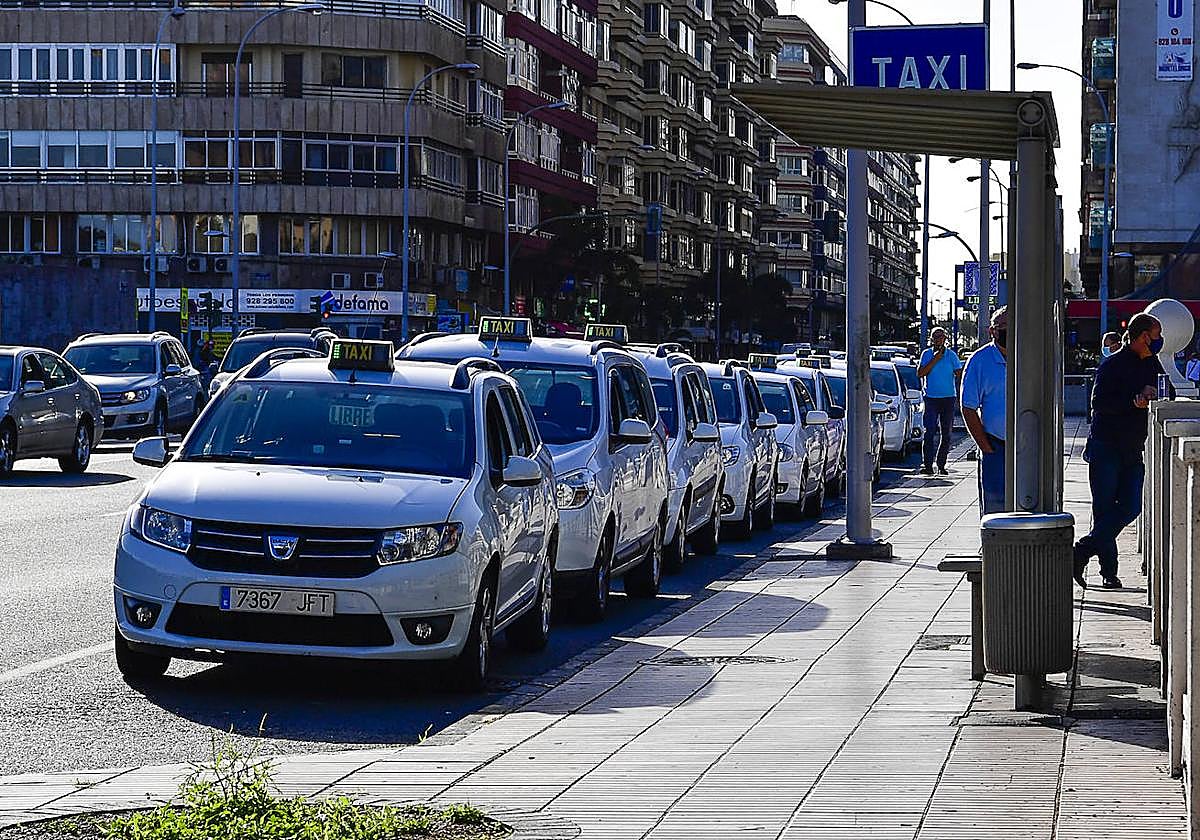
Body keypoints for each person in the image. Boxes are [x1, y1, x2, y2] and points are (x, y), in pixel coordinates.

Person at [1073, 313, 1165, 590]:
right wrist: (1132, 401)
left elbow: (1166, 387)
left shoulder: (1151, 363)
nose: (1160, 340)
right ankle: (1109, 572)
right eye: (1157, 334)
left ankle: (1081, 551)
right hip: (1106, 446)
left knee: (1130, 506)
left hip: (1133, 447)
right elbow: (1099, 403)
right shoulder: (1112, 365)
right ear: (1144, 336)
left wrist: (1154, 394)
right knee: (1104, 510)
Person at [960, 307, 1008, 515]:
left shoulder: (1031, 355)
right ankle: (992, 547)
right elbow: (968, 407)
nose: (1009, 331)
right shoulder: (980, 360)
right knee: (995, 508)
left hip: (1028, 446)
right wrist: (985, 447)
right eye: (1003, 327)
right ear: (992, 331)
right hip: (995, 445)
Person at [917, 326, 962, 476]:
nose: (938, 339)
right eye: (935, 336)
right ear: (931, 339)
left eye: (941, 337)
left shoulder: (951, 356)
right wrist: (935, 359)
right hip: (931, 398)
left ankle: (941, 464)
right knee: (929, 432)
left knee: (946, 433)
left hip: (948, 398)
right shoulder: (926, 354)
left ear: (945, 339)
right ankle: (928, 465)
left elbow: (959, 373)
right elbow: (921, 373)